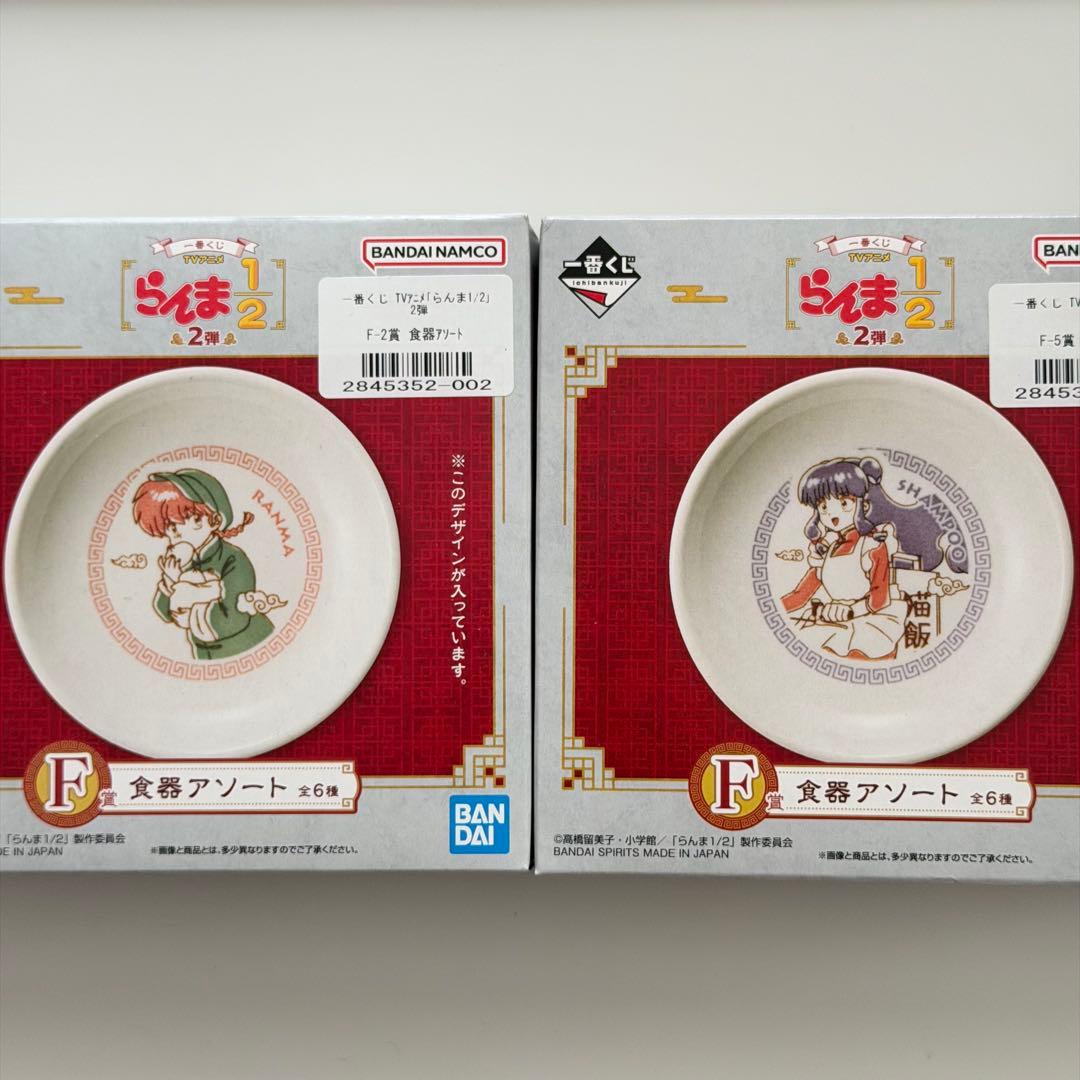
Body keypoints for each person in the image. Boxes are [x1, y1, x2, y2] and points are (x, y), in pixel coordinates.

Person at [131, 468, 274, 660]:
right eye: (170, 526)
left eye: (188, 519)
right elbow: (164, 613)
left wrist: (187, 607)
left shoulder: (233, 558)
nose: (177, 531)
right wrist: (171, 580)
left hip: (250, 645)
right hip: (204, 652)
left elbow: (232, 619)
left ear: (215, 520)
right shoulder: (182, 561)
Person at [781, 456, 907, 661]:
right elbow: (801, 594)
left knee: (861, 655)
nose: (833, 514)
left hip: (875, 622)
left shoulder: (872, 546)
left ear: (862, 504)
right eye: (823, 506)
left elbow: (879, 599)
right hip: (841, 622)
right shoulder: (826, 552)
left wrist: (850, 610)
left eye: (844, 503)